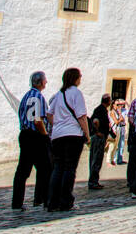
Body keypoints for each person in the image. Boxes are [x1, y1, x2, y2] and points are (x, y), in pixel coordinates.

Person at [45, 68, 88, 212]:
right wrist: (87, 135)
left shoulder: (58, 94)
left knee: (58, 168)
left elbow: (49, 115)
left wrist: (58, 125)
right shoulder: (76, 93)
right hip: (73, 135)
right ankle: (65, 201)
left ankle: (52, 202)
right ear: (75, 78)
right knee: (70, 168)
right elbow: (82, 116)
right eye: (80, 76)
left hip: (57, 136)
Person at [12, 70, 52, 210]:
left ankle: (17, 202)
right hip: (36, 136)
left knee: (22, 171)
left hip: (24, 134)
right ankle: (42, 199)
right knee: (45, 169)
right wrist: (45, 135)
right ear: (41, 82)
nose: (46, 82)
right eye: (45, 80)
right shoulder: (39, 97)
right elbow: (38, 120)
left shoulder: (25, 97)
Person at [87, 93, 113, 190]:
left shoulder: (100, 109)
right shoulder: (101, 110)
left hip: (99, 137)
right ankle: (93, 181)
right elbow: (95, 121)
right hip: (98, 138)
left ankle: (94, 180)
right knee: (96, 160)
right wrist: (97, 132)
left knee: (95, 159)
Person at [108, 98, 127, 165]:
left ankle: (117, 159)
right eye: (117, 104)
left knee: (118, 145)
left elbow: (123, 120)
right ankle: (110, 160)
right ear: (113, 105)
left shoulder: (118, 111)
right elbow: (116, 121)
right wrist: (120, 119)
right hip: (115, 129)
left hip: (120, 129)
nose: (119, 106)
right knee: (112, 146)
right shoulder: (112, 112)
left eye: (120, 104)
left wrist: (119, 113)